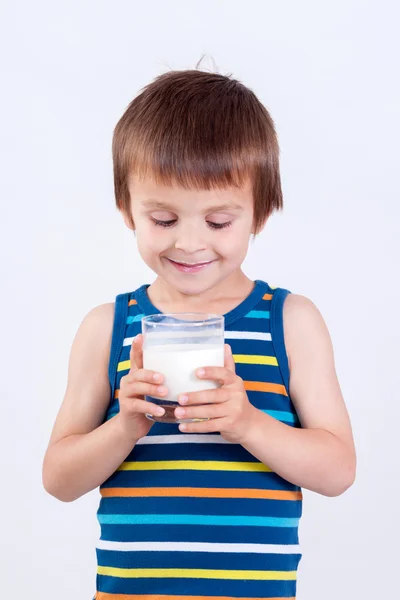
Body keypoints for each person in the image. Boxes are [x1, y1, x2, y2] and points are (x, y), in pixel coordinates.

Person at [42, 69, 356, 599]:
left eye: (218, 222)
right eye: (163, 219)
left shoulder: (290, 321)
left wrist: (249, 423)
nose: (190, 243)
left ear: (261, 213)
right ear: (127, 211)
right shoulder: (108, 327)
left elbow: (337, 470)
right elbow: (59, 480)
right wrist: (124, 425)